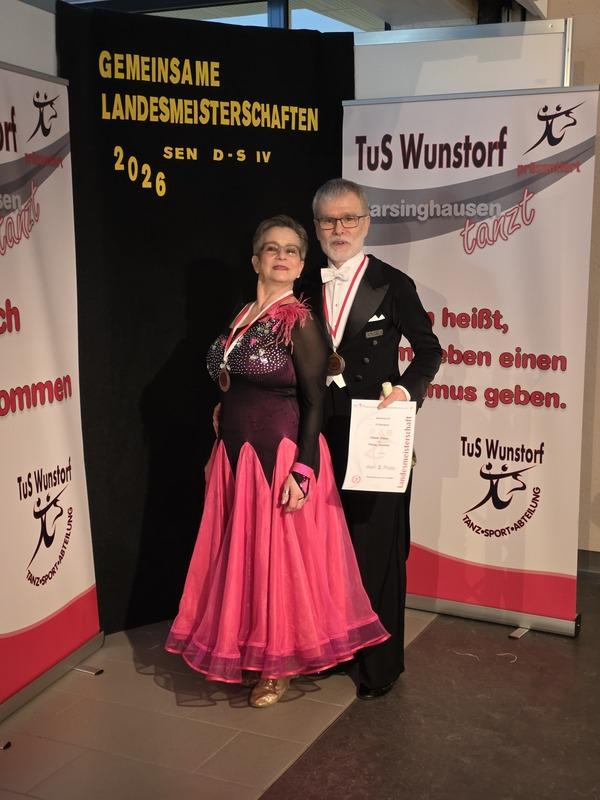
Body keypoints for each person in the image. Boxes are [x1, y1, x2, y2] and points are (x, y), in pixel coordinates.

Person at [165, 214, 389, 707]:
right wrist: (226, 405)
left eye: (292, 250)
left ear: (302, 264)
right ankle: (250, 649)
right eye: (272, 248)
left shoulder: (299, 320)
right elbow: (236, 375)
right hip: (237, 458)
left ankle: (278, 667)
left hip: (280, 457)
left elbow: (315, 402)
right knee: (245, 561)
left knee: (278, 566)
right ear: (256, 260)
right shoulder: (243, 314)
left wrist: (303, 471)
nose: (282, 257)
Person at [302, 179, 442, 700]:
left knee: (376, 547)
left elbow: (429, 351)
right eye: (328, 220)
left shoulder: (393, 282)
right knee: (321, 545)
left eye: (349, 218)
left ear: (366, 222)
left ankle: (377, 665)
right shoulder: (301, 285)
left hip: (374, 432)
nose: (339, 229)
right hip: (315, 431)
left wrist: (405, 393)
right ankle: (328, 650)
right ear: (316, 227)